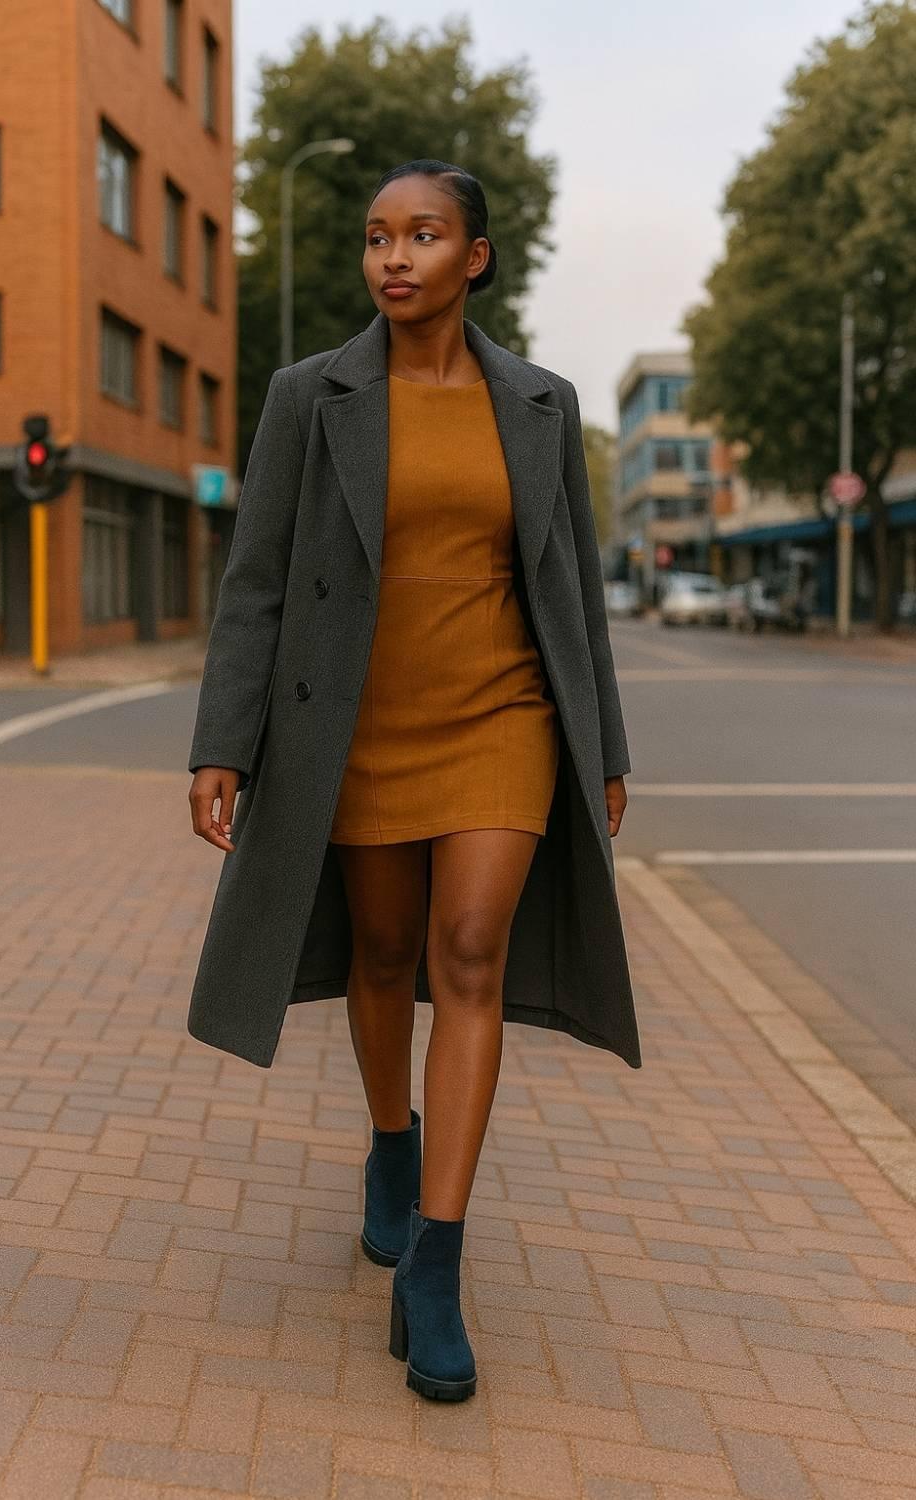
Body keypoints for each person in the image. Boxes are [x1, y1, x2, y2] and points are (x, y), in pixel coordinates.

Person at [187, 158, 633, 1404]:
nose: (394, 258)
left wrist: (604, 746)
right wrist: (222, 739)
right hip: (359, 725)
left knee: (469, 949)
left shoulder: (538, 404)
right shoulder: (307, 396)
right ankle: (393, 1143)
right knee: (383, 957)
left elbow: (574, 596)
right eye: (378, 237)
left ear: (472, 257)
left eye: (423, 235)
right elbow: (259, 581)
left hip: (504, 714)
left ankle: (433, 1263)